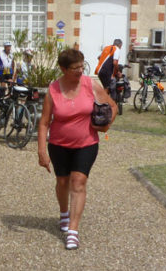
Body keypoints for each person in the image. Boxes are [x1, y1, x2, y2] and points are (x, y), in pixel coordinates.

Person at [37, 48, 117, 250]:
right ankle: (64, 213)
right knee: (62, 181)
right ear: (63, 69)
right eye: (75, 68)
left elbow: (112, 106)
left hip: (86, 144)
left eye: (82, 66)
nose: (80, 71)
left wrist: (106, 125)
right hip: (58, 145)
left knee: (78, 182)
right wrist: (41, 151)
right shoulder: (53, 89)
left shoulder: (91, 85)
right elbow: (44, 122)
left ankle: (73, 231)